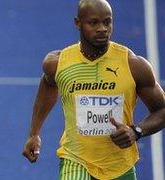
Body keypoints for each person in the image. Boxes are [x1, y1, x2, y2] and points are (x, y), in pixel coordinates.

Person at [22, 0, 165, 179]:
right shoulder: (58, 63)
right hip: (75, 159)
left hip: (119, 165)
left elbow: (161, 109)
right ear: (78, 23)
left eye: (107, 22)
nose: (102, 28)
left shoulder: (134, 65)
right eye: (94, 23)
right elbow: (48, 84)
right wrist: (34, 133)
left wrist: (136, 131)